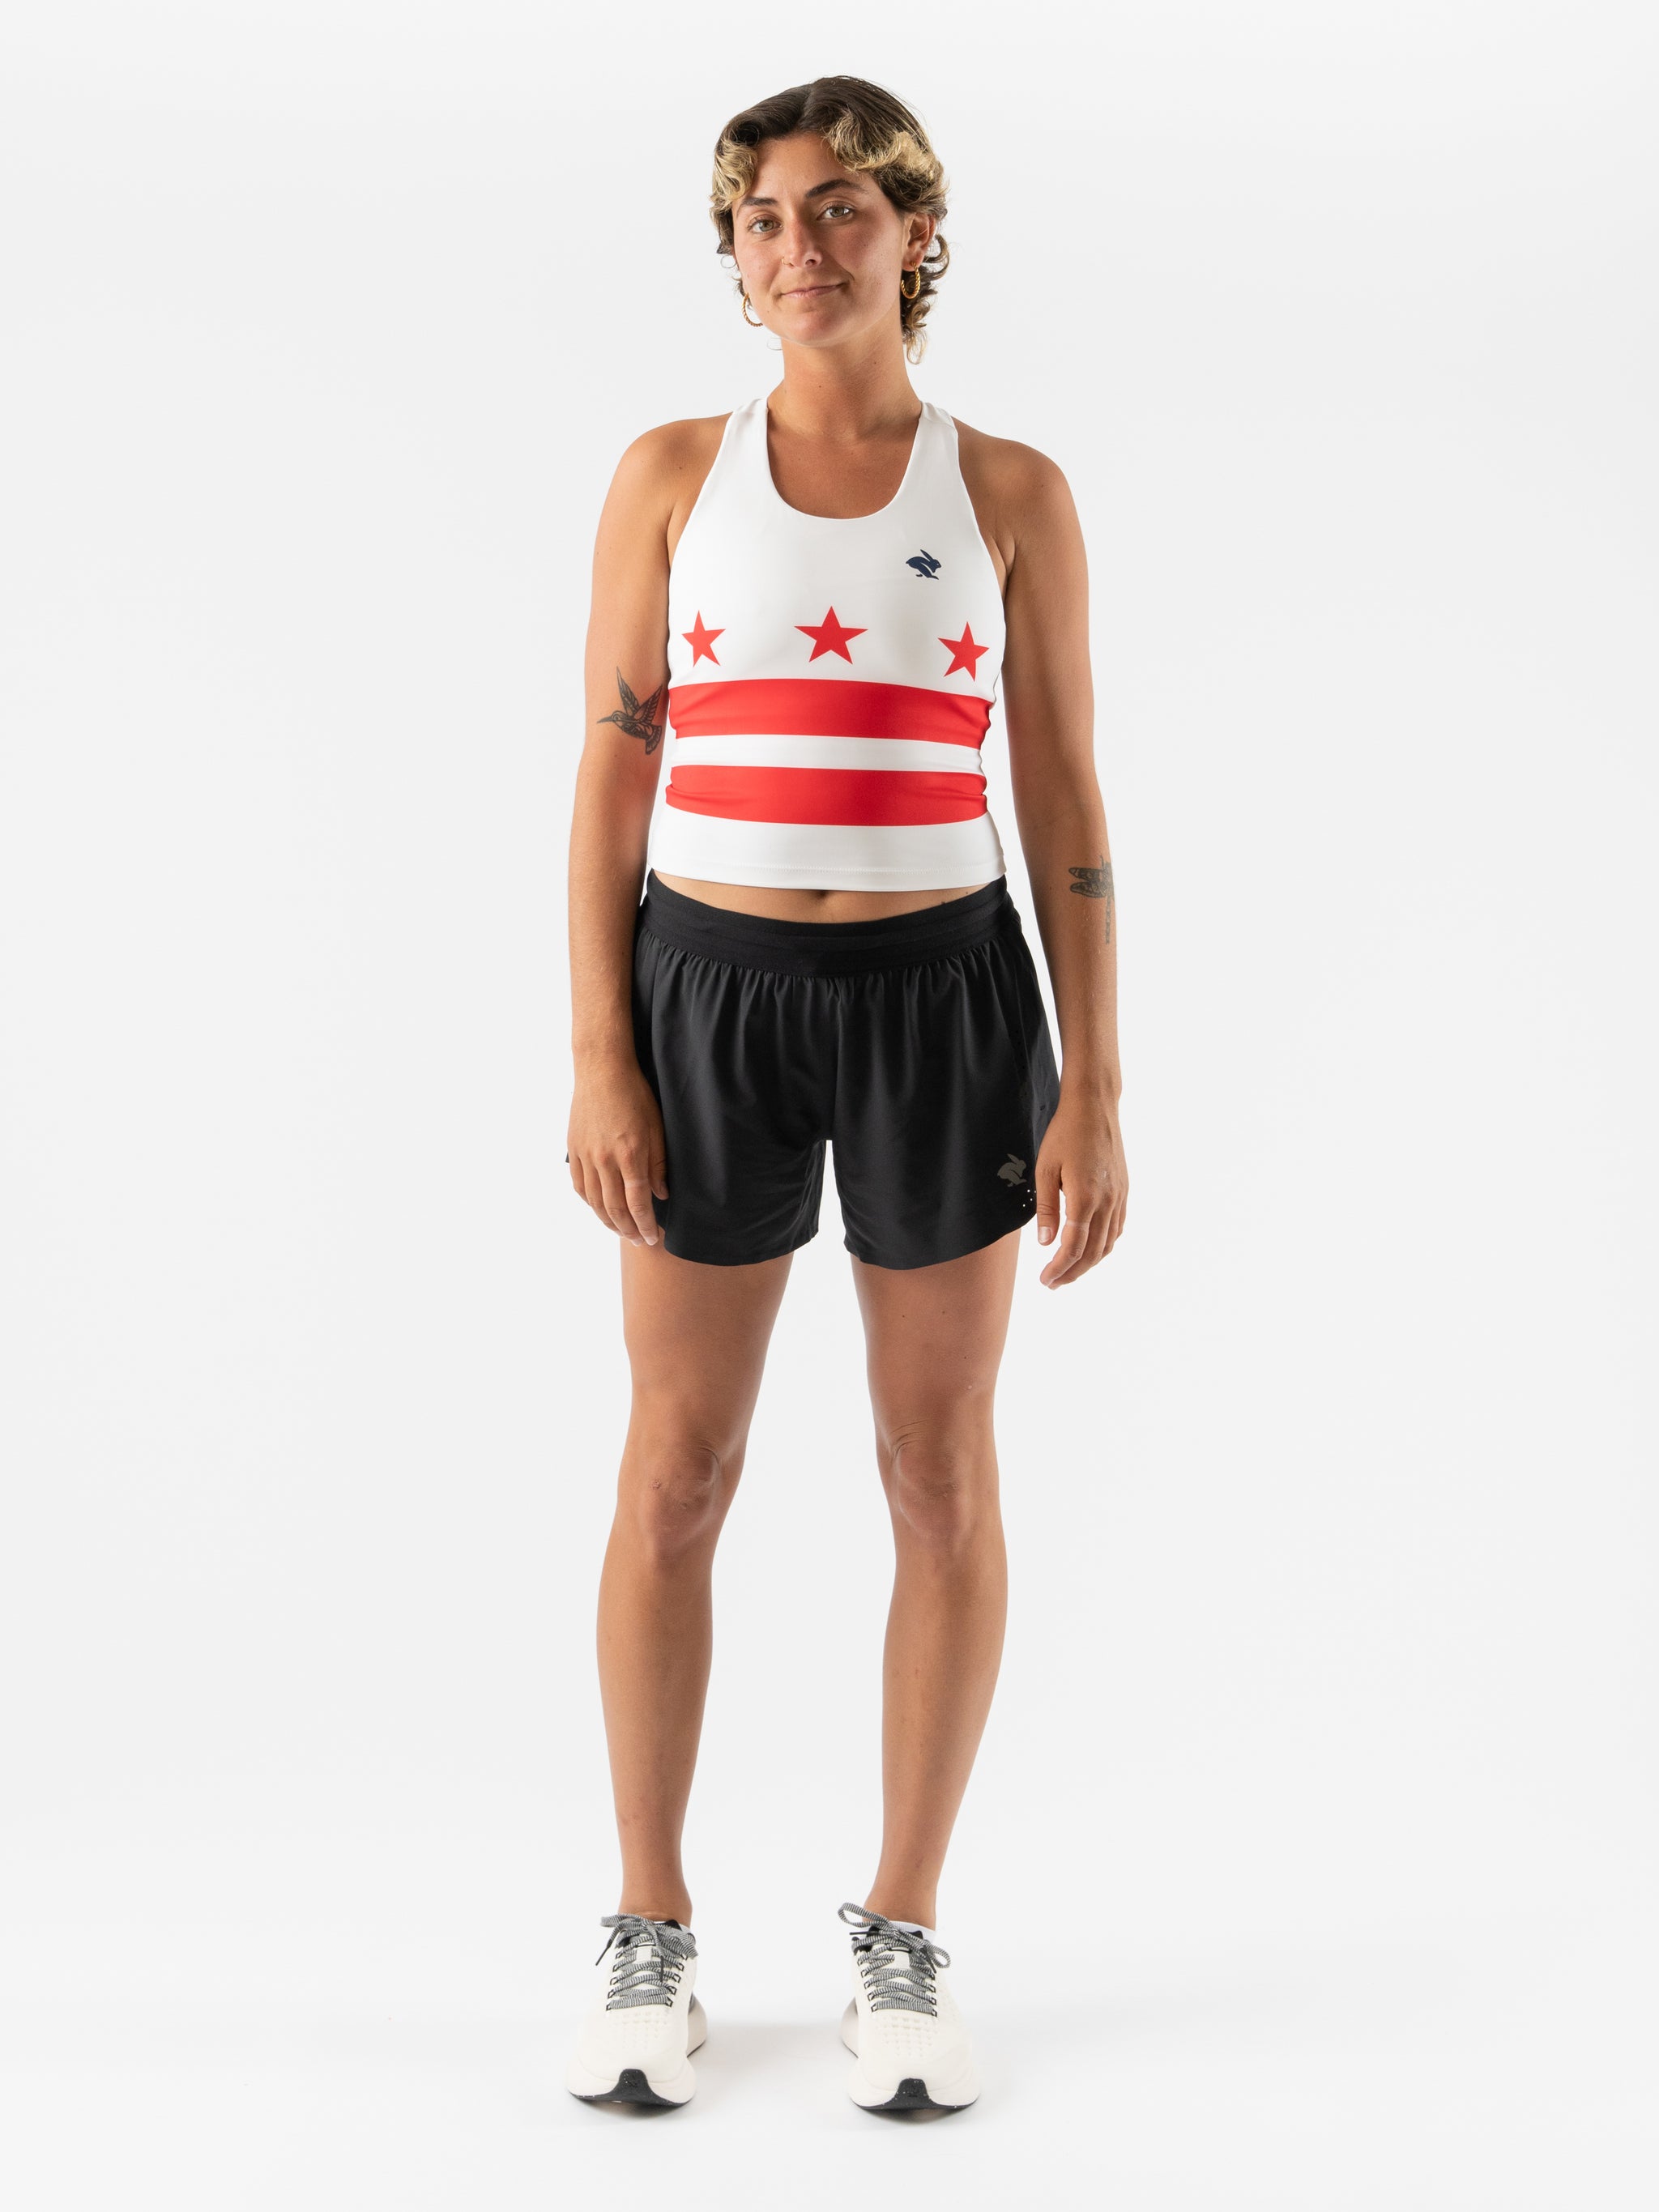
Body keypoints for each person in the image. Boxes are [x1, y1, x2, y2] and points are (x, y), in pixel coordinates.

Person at [562, 75, 1127, 2116]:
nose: (800, 247)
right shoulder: (667, 477)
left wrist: (1095, 1082)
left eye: (840, 209)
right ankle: (648, 1924)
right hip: (707, 995)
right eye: (764, 218)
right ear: (732, 257)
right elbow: (611, 774)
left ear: (914, 230)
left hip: (944, 1000)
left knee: (936, 1467)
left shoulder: (1011, 491)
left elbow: (1061, 797)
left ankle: (903, 1925)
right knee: (676, 1468)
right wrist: (601, 1050)